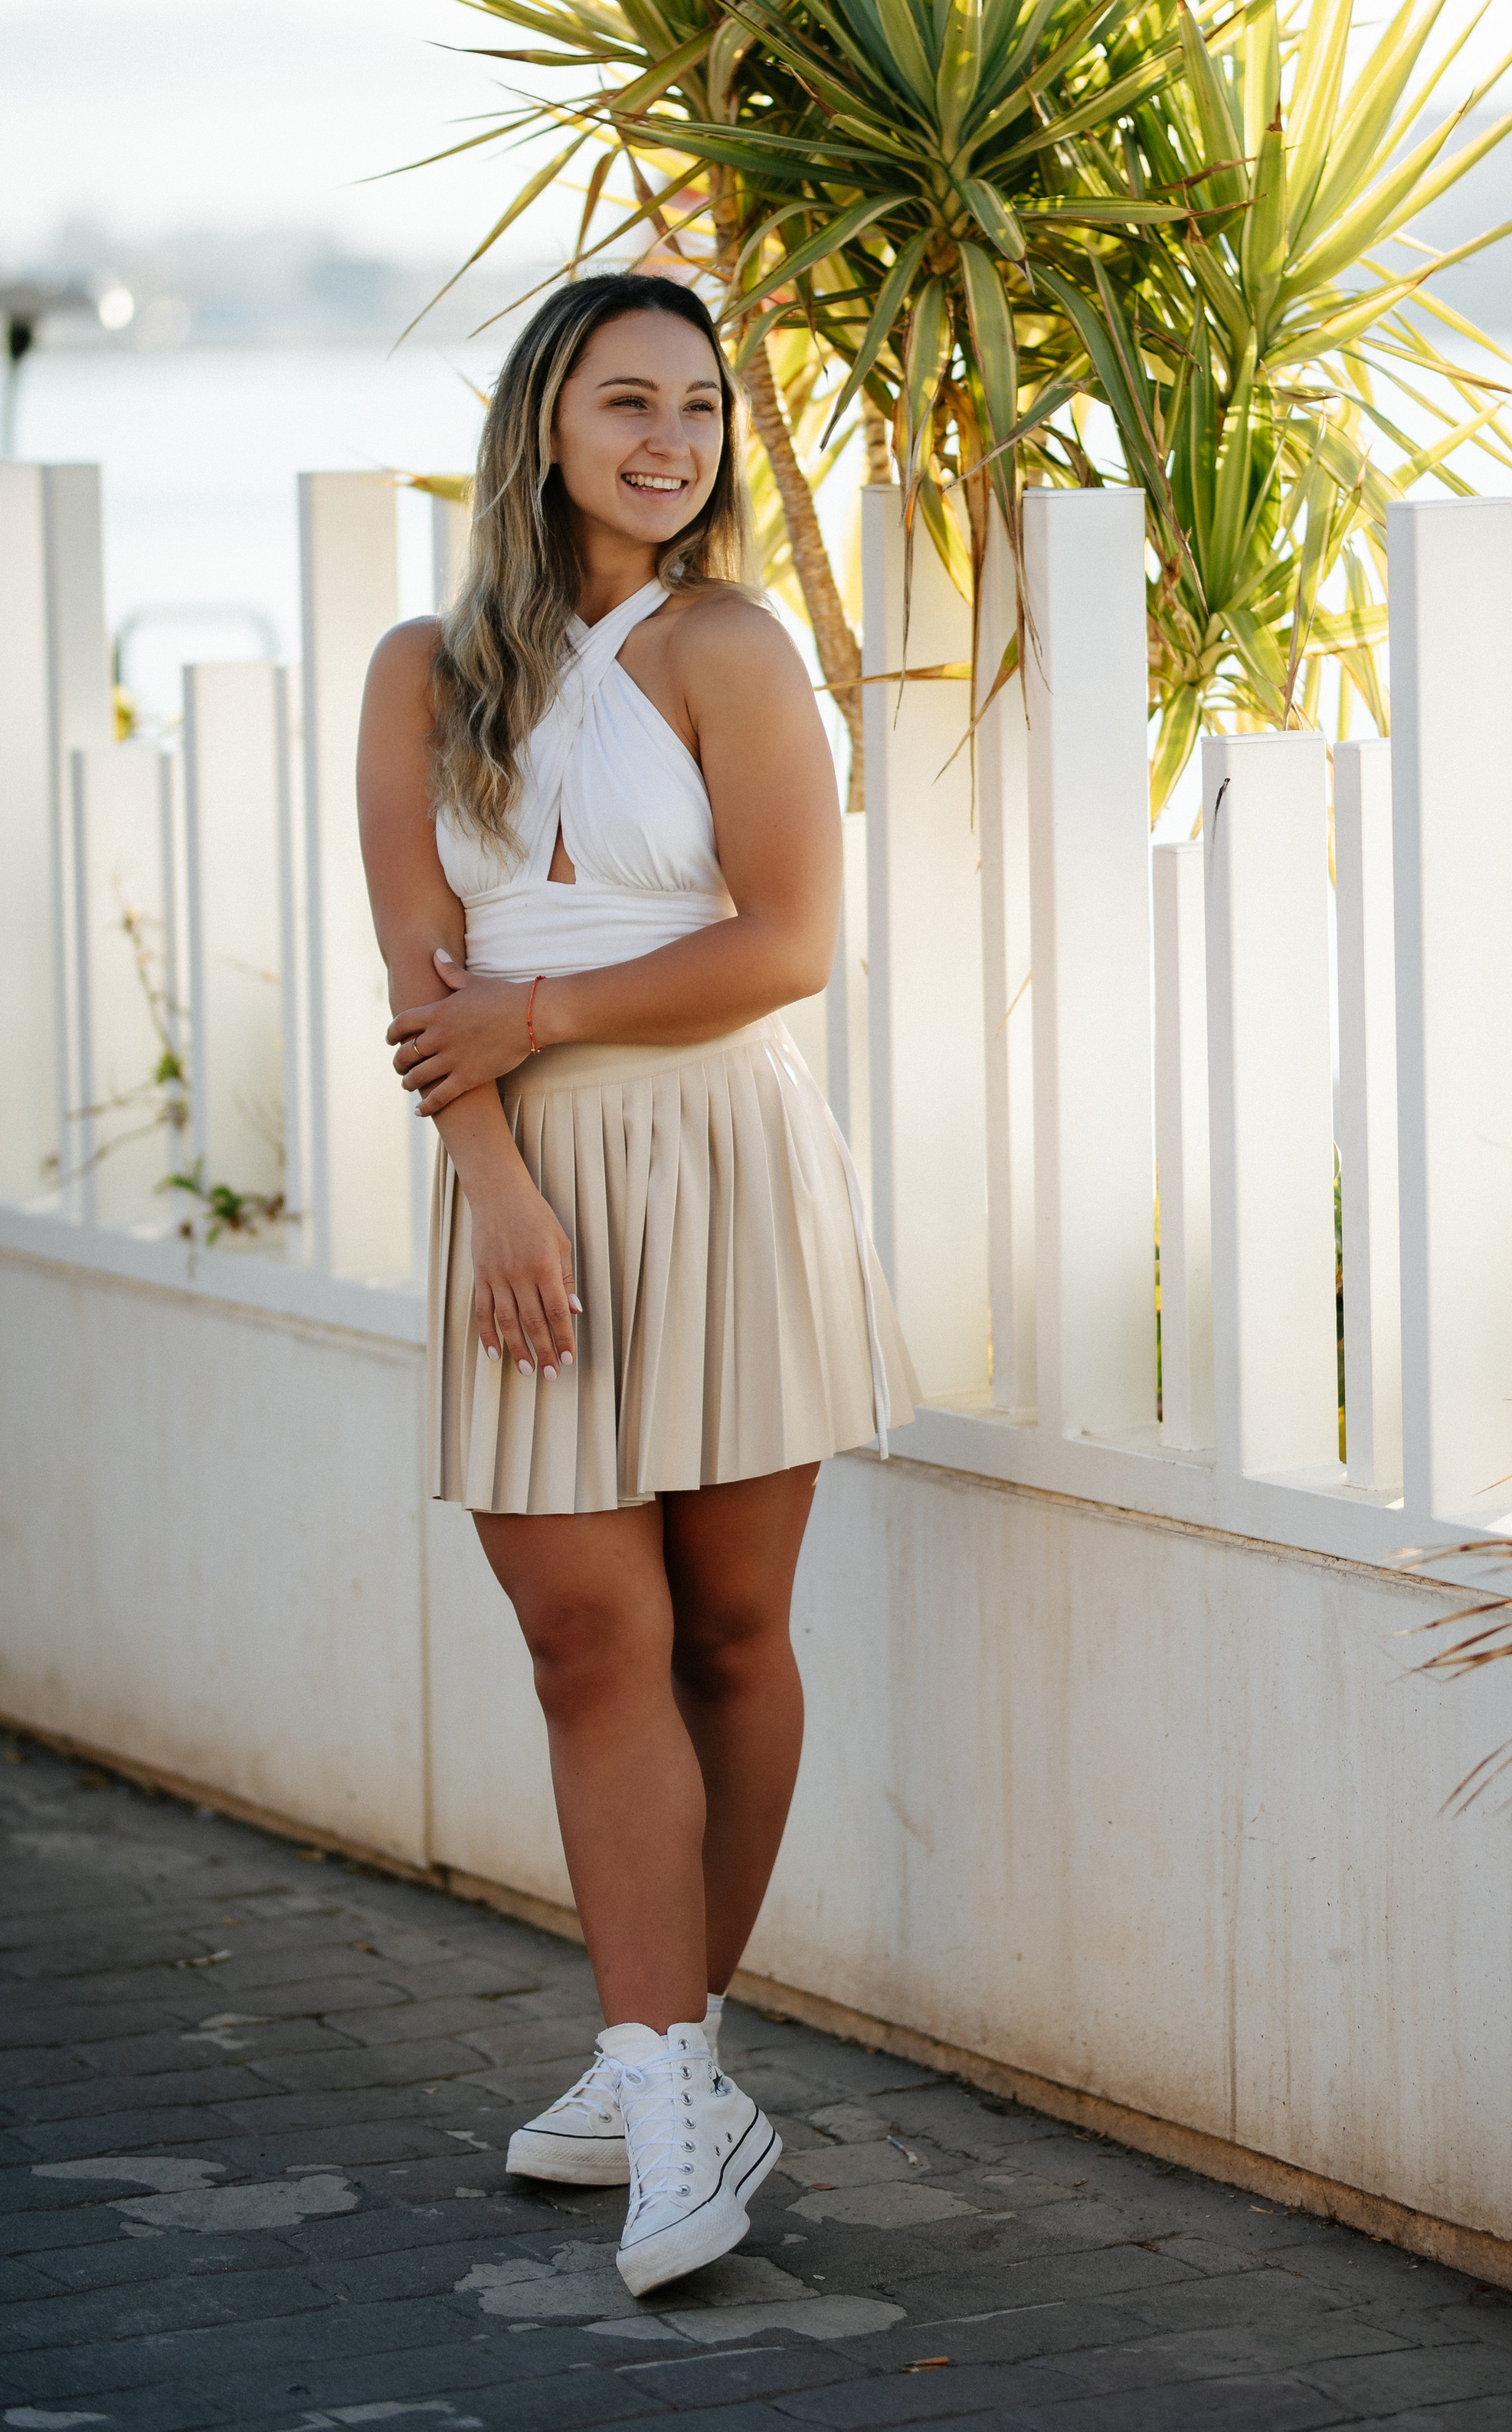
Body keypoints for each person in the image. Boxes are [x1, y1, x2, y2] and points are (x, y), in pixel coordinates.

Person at [355, 270, 915, 2299]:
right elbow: (428, 985)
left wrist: (546, 1010)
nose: (673, 439)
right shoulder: (423, 672)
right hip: (534, 1185)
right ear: (544, 423)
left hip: (729, 1156)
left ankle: (670, 2074)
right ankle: (667, 2074)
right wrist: (496, 1178)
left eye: (700, 407)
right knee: (590, 1634)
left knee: (734, 1628)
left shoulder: (735, 646)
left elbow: (787, 945)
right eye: (629, 401)